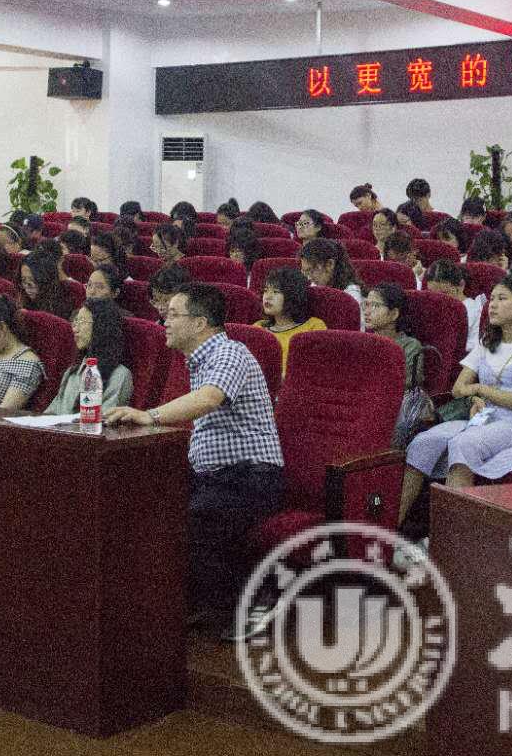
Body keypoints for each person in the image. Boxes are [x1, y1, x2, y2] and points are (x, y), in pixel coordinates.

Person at [105, 284, 284, 635]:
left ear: (200, 323)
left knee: (197, 519)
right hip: (215, 475)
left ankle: (253, 603)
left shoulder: (230, 353)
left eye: (173, 315)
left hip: (251, 477)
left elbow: (209, 399)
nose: (164, 322)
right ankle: (178, 601)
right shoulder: (199, 361)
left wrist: (149, 415)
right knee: (145, 503)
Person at [399, 276, 512, 523]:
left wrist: (481, 389)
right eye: (491, 299)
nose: (492, 305)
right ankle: (392, 530)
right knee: (423, 442)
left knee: (464, 443)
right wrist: (475, 397)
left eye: (502, 299)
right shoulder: (487, 343)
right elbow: (458, 388)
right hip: (480, 417)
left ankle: (451, 537)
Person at [362, 283, 429, 449]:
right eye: (366, 304)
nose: (367, 311)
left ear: (394, 314)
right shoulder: (362, 342)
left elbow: (405, 385)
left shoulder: (410, 345)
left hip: (392, 407)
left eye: (375, 305)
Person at [46, 299, 134, 414]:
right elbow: (51, 413)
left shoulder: (119, 375)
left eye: (82, 322)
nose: (74, 329)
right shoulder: (72, 371)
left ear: (101, 326)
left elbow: (105, 420)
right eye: (75, 322)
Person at [253, 267, 326, 376]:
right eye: (265, 291)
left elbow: (314, 369)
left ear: (292, 296)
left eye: (276, 292)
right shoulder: (258, 327)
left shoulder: (313, 327)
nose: (267, 297)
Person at [425, 258, 484, 354]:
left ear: (461, 285)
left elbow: (474, 348)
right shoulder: (428, 308)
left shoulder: (474, 311)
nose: (438, 300)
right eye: (432, 295)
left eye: (444, 294)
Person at [298, 237, 362, 307]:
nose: (309, 278)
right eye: (305, 272)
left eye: (311, 271)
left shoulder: (351, 296)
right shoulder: (314, 286)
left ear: (330, 264)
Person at [19, 248, 78, 319]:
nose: (27, 286)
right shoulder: (22, 303)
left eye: (33, 280)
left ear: (47, 278)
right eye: (24, 280)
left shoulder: (66, 304)